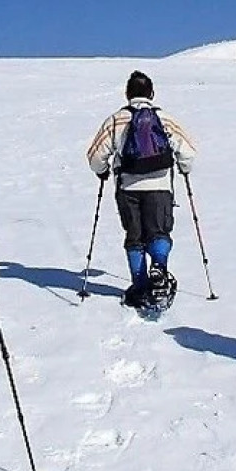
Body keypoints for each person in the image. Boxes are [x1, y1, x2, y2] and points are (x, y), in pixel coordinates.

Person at [85, 70, 197, 308]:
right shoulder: (165, 119)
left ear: (127, 94)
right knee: (159, 231)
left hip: (128, 186)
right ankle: (159, 268)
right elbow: (187, 151)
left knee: (134, 235)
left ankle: (139, 284)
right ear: (152, 94)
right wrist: (184, 169)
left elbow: (95, 156)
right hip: (160, 186)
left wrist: (102, 170)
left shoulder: (116, 120)